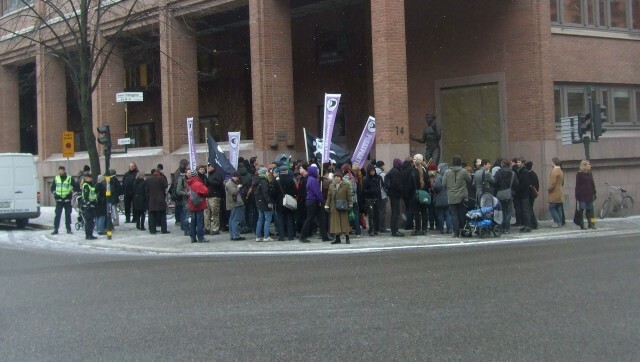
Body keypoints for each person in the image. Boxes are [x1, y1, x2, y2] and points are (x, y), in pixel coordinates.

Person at [443, 154, 471, 238]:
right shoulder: (463, 171)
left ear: (452, 162)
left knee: (454, 215)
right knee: (462, 214)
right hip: (462, 196)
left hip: (451, 197)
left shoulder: (447, 172)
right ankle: (463, 230)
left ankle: (456, 232)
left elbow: (443, 184)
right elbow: (469, 179)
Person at [325, 171, 353, 244]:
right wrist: (327, 205)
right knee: (335, 223)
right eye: (335, 177)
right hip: (334, 206)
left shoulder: (346, 185)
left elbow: (349, 196)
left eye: (338, 177)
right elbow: (329, 196)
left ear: (341, 178)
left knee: (345, 222)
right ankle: (337, 238)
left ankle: (347, 238)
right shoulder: (331, 185)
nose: (337, 178)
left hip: (343, 205)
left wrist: (350, 205)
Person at [51, 166, 79, 235]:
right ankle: (56, 229)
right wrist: (55, 194)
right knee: (57, 215)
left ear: (64, 171)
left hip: (67, 200)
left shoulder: (69, 178)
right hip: (59, 200)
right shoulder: (56, 178)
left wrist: (72, 192)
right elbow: (52, 188)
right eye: (59, 170)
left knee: (68, 215)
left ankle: (68, 229)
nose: (59, 172)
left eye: (61, 170)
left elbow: (76, 186)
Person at [299, 164, 323, 243]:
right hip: (313, 201)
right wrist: (321, 199)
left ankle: (324, 235)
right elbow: (317, 192)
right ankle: (302, 236)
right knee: (310, 219)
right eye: (316, 171)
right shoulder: (313, 180)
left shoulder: (310, 179)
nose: (317, 172)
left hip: (310, 200)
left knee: (320, 218)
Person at [494, 159, 518, 234]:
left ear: (502, 164)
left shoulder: (498, 173)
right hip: (509, 194)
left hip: (500, 194)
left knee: (501, 211)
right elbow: (516, 183)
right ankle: (506, 228)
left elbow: (494, 182)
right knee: (508, 212)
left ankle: (501, 226)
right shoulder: (513, 173)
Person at [274, 165, 296, 241]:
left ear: (280, 171)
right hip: (288, 201)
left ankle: (281, 236)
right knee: (289, 217)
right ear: (286, 171)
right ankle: (290, 236)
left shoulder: (276, 180)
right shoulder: (290, 179)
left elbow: (273, 192)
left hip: (279, 202)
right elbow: (295, 190)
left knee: (280, 218)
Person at [187, 170, 209, 243]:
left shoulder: (189, 183)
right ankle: (200, 237)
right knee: (199, 222)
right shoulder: (197, 183)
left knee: (193, 222)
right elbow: (205, 191)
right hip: (198, 205)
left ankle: (192, 237)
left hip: (192, 205)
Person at [410, 154, 430, 236]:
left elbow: (410, 184)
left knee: (417, 212)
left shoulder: (412, 171)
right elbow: (428, 182)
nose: (413, 160)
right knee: (424, 211)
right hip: (424, 193)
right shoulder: (425, 170)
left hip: (415, 194)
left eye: (415, 159)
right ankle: (424, 229)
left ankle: (418, 229)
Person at [254, 167, 274, 242]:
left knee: (260, 219)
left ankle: (258, 236)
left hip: (258, 202)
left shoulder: (256, 180)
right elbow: (265, 193)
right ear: (264, 173)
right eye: (267, 172)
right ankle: (266, 236)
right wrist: (269, 202)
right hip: (265, 202)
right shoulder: (264, 181)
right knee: (268, 219)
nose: (268, 173)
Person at [575, 160, 597, 230]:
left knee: (591, 211)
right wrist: (577, 196)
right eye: (588, 164)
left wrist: (594, 193)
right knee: (582, 210)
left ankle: (592, 223)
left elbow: (592, 184)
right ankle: (582, 224)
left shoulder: (590, 173)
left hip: (590, 195)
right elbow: (577, 186)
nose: (590, 165)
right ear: (584, 166)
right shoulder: (579, 174)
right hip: (583, 196)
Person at [362, 164, 382, 236]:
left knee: (376, 214)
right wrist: (372, 191)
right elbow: (364, 190)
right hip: (369, 199)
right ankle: (371, 229)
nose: (372, 172)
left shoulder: (377, 178)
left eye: (373, 171)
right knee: (371, 215)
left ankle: (376, 229)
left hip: (376, 198)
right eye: (371, 171)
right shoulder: (366, 179)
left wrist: (379, 196)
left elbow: (379, 189)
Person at [147, 170, 169, 235]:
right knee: (162, 214)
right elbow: (166, 186)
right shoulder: (161, 178)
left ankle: (152, 230)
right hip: (160, 199)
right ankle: (164, 229)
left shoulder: (148, 179)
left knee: (152, 215)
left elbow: (146, 189)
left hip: (151, 199)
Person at [225, 172, 246, 241]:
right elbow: (234, 192)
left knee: (232, 220)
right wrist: (238, 187)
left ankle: (233, 235)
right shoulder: (230, 183)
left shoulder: (230, 182)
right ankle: (236, 235)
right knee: (235, 220)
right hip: (235, 203)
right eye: (237, 177)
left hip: (233, 203)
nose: (238, 179)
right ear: (234, 176)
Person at [514, 157, 533, 232]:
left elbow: (524, 183)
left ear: (523, 163)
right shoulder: (520, 171)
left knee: (526, 210)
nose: (518, 164)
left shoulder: (524, 171)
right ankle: (526, 225)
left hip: (524, 194)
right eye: (517, 162)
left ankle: (528, 226)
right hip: (522, 194)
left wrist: (518, 188)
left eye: (519, 162)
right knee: (524, 210)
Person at [205, 163, 224, 235]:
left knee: (215, 212)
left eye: (209, 166)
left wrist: (209, 181)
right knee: (206, 213)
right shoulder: (208, 175)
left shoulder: (217, 174)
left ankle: (216, 228)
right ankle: (207, 227)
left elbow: (218, 183)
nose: (208, 168)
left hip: (214, 196)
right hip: (207, 196)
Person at [433, 163, 452, 234]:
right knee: (448, 214)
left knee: (440, 214)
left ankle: (441, 229)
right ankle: (449, 229)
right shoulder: (449, 176)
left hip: (440, 199)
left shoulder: (439, 177)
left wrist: (433, 185)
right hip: (448, 197)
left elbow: (437, 187)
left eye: (439, 168)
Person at [548, 157, 564, 228]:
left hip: (554, 192)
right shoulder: (560, 171)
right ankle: (560, 222)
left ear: (553, 162)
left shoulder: (554, 171)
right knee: (558, 207)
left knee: (552, 207)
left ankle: (557, 222)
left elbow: (553, 183)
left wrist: (549, 189)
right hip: (560, 191)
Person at [80, 174, 97, 240]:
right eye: (87, 178)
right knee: (89, 221)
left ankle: (90, 234)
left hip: (92, 204)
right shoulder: (86, 185)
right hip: (88, 205)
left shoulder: (91, 185)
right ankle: (88, 235)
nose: (89, 179)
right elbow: (86, 196)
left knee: (91, 221)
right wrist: (88, 203)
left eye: (89, 178)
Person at [375, 160, 389, 233]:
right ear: (381, 166)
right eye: (383, 165)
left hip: (374, 195)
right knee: (382, 211)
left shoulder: (373, 172)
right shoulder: (382, 174)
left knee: (376, 211)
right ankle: (382, 227)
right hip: (382, 195)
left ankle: (376, 227)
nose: (384, 166)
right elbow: (385, 186)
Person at [525, 161, 540, 230]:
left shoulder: (530, 174)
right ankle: (534, 223)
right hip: (532, 194)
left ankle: (534, 223)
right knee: (530, 208)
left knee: (529, 209)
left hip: (530, 194)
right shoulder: (534, 174)